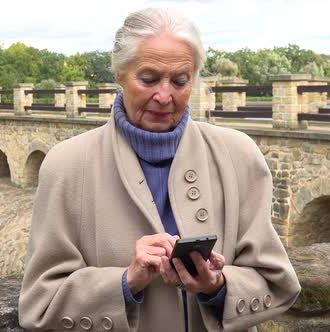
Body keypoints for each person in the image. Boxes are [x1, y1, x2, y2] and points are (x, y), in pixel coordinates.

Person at [19, 8, 300, 332]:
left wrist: (218, 285)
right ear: (119, 74)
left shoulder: (239, 156)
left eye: (180, 81)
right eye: (148, 79)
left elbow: (278, 283)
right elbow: (38, 303)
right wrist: (125, 282)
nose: (164, 96)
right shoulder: (67, 165)